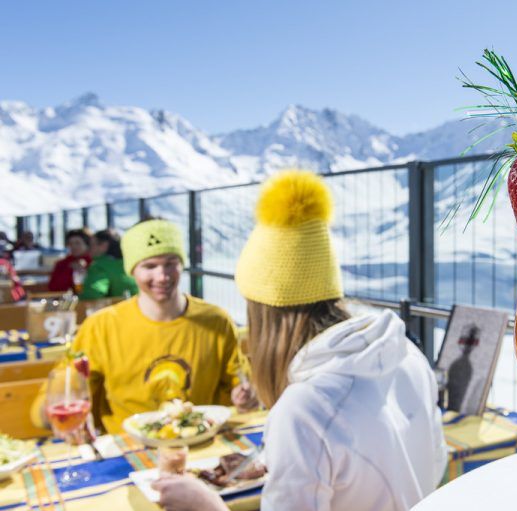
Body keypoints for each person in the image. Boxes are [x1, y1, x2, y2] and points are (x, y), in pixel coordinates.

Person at [153, 170, 447, 511]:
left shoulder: (304, 409)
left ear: (265, 315)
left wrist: (206, 505)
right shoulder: (405, 353)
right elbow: (433, 461)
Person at [32, 219, 255, 434]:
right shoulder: (101, 327)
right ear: (132, 271)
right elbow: (56, 395)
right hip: (128, 450)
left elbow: (238, 380)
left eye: (171, 263)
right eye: (149, 266)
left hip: (201, 444)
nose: (162, 276)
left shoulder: (216, 321)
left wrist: (244, 394)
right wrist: (58, 414)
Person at [79, 228, 138, 300]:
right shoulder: (134, 262)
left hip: (117, 309)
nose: (88, 249)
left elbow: (93, 295)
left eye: (92, 245)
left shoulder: (100, 266)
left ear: (104, 245)